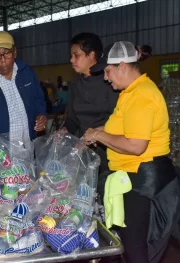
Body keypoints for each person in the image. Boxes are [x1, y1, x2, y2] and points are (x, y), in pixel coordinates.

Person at [84, 41, 179, 263]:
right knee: (125, 245)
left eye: (108, 71)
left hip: (143, 181)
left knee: (136, 251)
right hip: (132, 178)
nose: (106, 78)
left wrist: (99, 136)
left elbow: (136, 145)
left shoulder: (142, 95)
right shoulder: (130, 93)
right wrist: (96, 131)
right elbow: (122, 129)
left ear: (123, 66)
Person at [64, 32, 119, 190]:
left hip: (108, 149)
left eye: (76, 55)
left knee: (106, 191)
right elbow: (73, 119)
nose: (71, 60)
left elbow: (118, 119)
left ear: (91, 55)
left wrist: (99, 134)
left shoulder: (109, 82)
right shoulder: (75, 84)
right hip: (83, 149)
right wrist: (63, 131)